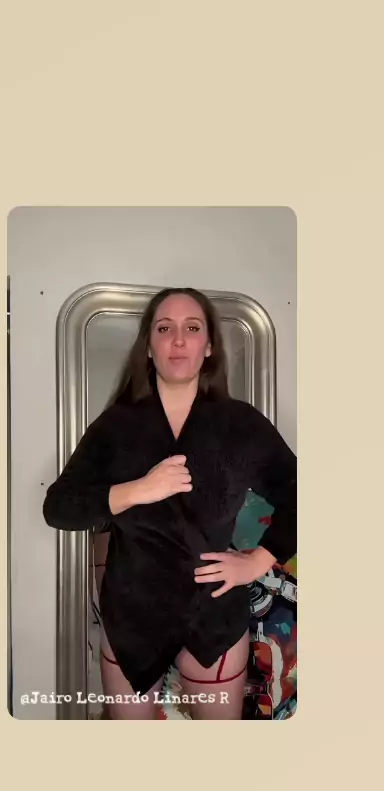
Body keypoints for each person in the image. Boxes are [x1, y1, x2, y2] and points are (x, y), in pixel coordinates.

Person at [43, 287, 297, 720]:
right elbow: (58, 507)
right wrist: (137, 490)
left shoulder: (242, 425)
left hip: (213, 615)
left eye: (192, 328)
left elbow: (304, 492)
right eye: (164, 328)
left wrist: (257, 562)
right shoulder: (116, 426)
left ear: (209, 346)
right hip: (132, 616)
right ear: (148, 345)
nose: (178, 339)